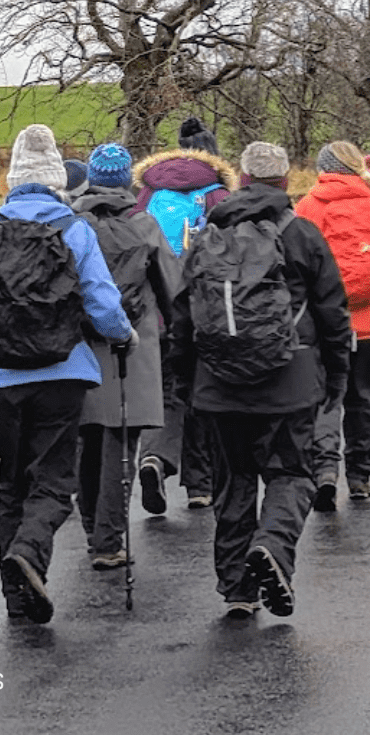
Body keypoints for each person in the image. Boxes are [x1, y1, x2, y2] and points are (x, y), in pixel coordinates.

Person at [0, 125, 134, 624]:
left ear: (11, 180)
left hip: (4, 376)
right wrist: (123, 336)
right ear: (57, 182)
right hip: (63, 373)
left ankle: (17, 597)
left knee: (12, 484)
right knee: (53, 482)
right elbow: (103, 303)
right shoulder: (75, 229)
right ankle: (28, 556)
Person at [165, 141, 352, 618]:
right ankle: (271, 547)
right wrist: (336, 376)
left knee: (233, 482)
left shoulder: (208, 236)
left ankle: (237, 589)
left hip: (218, 386)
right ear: (286, 181)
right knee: (292, 474)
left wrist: (185, 382)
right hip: (290, 381)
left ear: (241, 180)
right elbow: (333, 312)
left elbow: (183, 318)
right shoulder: (303, 235)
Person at [71, 143, 179, 568]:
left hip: (80, 347)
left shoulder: (74, 224)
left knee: (88, 439)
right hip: (134, 347)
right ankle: (109, 540)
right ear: (127, 181)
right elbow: (172, 289)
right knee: (122, 444)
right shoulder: (144, 224)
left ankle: (90, 526)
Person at [297, 141, 370, 507]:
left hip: (323, 322)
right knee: (366, 396)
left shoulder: (309, 207)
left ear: (323, 170)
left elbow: (297, 268)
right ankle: (361, 475)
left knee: (325, 398)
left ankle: (324, 471)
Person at [133, 122, 240, 512]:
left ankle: (155, 458)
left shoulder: (148, 193)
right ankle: (200, 484)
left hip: (154, 311)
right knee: (204, 392)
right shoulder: (218, 196)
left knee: (167, 391)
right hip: (203, 310)